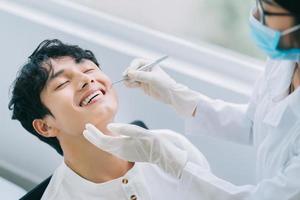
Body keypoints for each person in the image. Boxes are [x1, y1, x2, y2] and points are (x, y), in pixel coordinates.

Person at [83, 0, 300, 199]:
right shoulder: (285, 61)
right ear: (46, 126)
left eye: (266, 8)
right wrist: (181, 98)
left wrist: (170, 162)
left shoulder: (172, 145)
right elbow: (256, 124)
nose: (254, 14)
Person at [8, 39, 210, 199]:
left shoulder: (172, 146)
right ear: (45, 126)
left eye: (88, 70)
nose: (87, 79)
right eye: (62, 83)